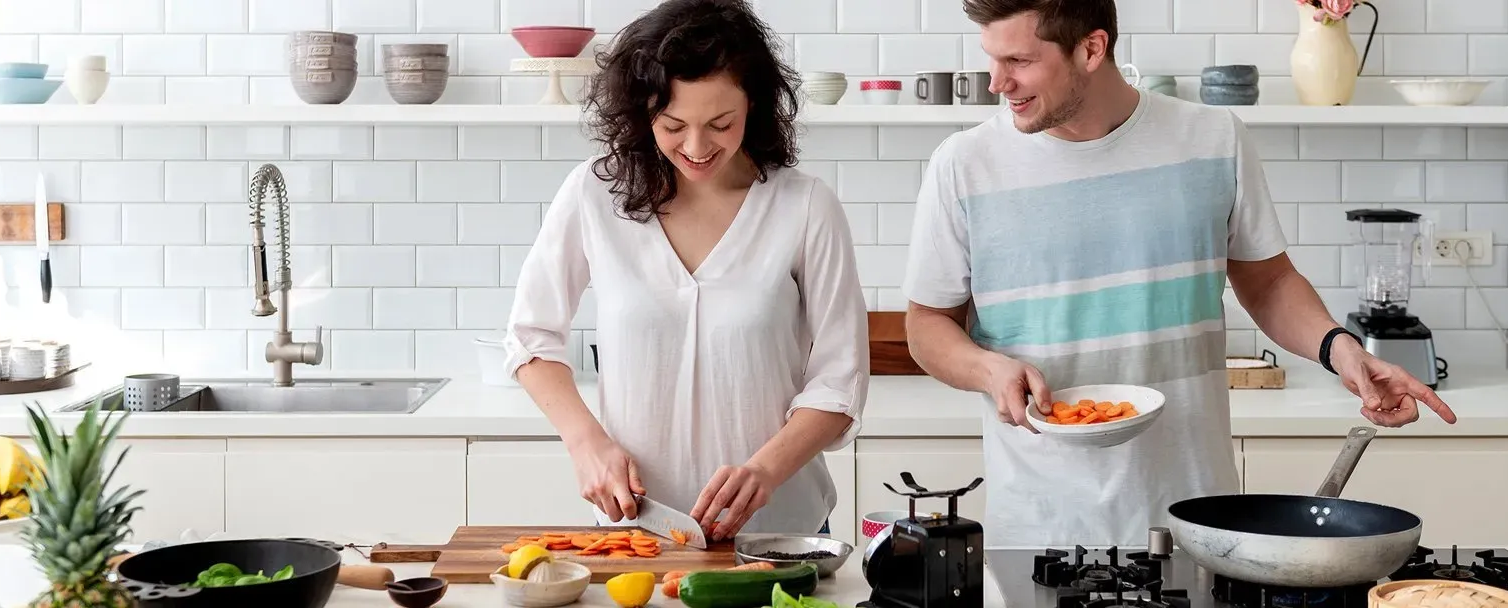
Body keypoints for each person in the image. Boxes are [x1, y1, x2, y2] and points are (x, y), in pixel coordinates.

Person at [901, 0, 1458, 548]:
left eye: (1019, 62)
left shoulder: (1214, 138)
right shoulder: (964, 163)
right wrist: (987, 370)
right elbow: (927, 325)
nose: (998, 83)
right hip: (1038, 524)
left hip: (1196, 515)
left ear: (1092, 48)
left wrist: (1343, 349)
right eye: (991, 60)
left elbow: (1268, 283)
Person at [502, 0, 868, 540]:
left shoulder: (806, 206)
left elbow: (840, 382)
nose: (697, 148)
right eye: (673, 125)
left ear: (755, 106)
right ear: (641, 112)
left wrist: (766, 469)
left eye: (721, 124)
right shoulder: (594, 192)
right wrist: (587, 442)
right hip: (636, 529)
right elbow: (531, 337)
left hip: (779, 532)